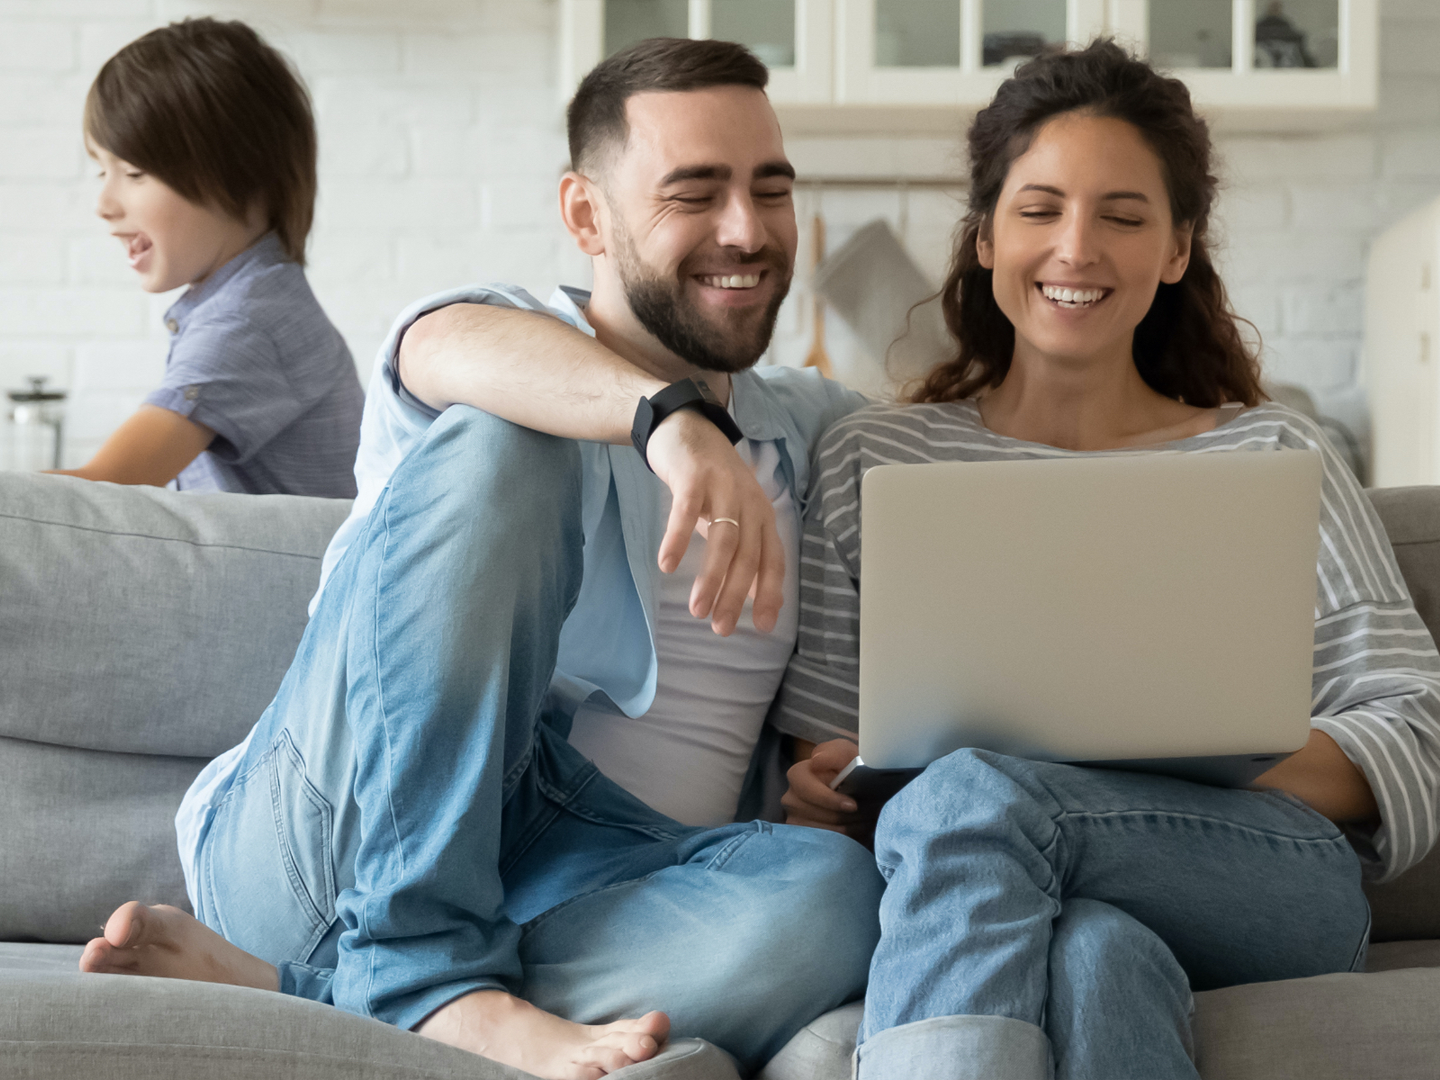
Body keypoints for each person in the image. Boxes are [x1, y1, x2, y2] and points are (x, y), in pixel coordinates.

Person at [79, 38, 885, 1080]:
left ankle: (320, 991)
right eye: (696, 192)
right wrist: (666, 421)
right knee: (510, 432)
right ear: (587, 216)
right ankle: (422, 966)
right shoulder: (501, 338)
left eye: (768, 190)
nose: (746, 229)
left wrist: (842, 760)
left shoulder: (815, 430)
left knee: (839, 895)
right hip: (334, 828)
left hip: (594, 870)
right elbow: (449, 349)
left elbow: (955, 465)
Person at [775, 41, 1440, 1079]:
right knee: (1095, 958)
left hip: (1262, 877)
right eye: (1039, 210)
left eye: (1122, 217)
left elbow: (1414, 736)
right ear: (986, 237)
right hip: (993, 882)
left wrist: (1177, 738)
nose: (1075, 248)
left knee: (973, 798)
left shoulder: (1274, 454)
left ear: (1177, 249)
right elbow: (816, 750)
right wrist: (820, 778)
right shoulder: (876, 456)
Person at [56, 18, 363, 496]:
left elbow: (99, 492)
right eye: (102, 171)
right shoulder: (245, 304)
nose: (104, 204)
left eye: (135, 172)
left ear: (243, 173)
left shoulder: (248, 324)